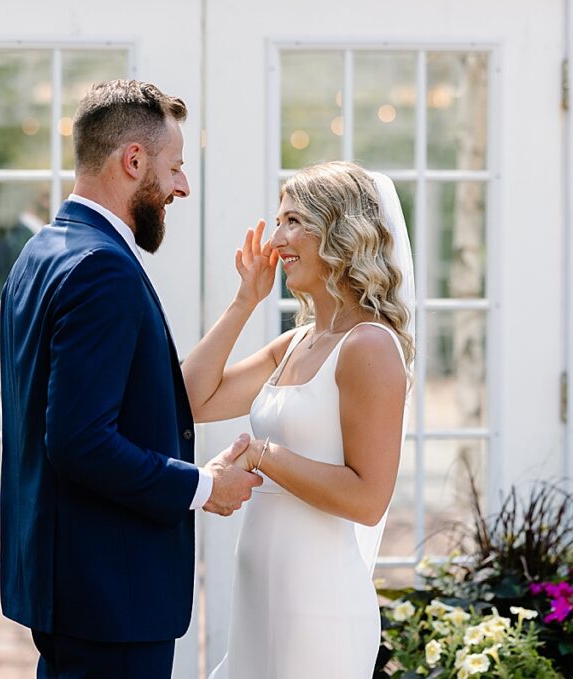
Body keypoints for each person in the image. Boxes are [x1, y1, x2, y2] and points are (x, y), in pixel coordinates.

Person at [0, 79, 263, 679]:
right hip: (109, 598)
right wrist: (201, 486)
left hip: (69, 585)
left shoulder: (43, 252)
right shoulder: (103, 270)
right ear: (133, 160)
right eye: (175, 167)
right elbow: (80, 441)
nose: (182, 187)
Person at [184, 161, 416, 679]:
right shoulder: (297, 342)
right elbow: (192, 400)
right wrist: (245, 300)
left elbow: (368, 498)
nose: (276, 239)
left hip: (318, 606)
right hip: (260, 593)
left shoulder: (370, 345)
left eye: (293, 221)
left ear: (340, 230)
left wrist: (262, 454)